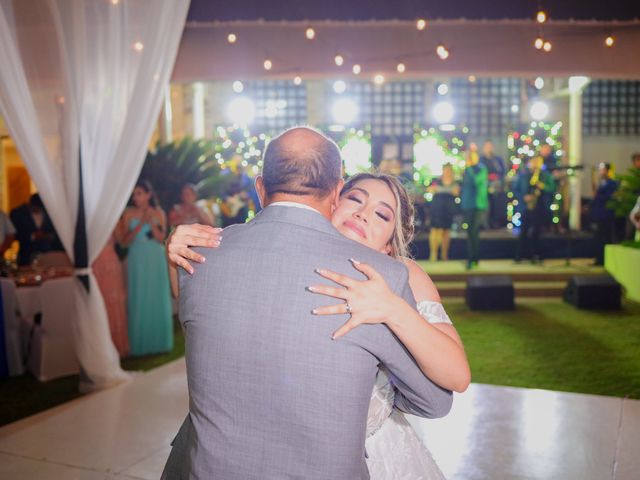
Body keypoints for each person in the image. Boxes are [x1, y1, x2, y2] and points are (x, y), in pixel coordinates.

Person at [161, 127, 456, 480]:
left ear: (260, 189)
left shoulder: (199, 253)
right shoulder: (377, 277)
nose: (362, 215)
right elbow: (433, 401)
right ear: (335, 194)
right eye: (355, 199)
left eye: (382, 214)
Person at [117, 180, 173, 356]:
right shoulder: (128, 213)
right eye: (134, 194)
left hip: (155, 257)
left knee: (157, 295)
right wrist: (141, 222)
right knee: (139, 294)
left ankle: (161, 343)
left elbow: (161, 238)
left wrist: (152, 221)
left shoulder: (159, 212)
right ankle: (141, 344)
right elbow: (124, 242)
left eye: (139, 193)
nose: (136, 197)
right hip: (137, 257)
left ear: (148, 195)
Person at [92, 230, 129, 358]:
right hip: (96, 265)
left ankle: (119, 346)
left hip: (112, 264)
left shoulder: (111, 223)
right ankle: (104, 348)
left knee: (116, 302)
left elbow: (122, 241)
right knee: (101, 303)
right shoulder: (91, 224)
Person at [513, 156, 556, 263]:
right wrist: (523, 197)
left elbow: (552, 189)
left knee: (537, 232)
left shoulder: (546, 176)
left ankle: (536, 255)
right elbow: (515, 189)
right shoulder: (523, 175)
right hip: (526, 207)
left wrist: (542, 186)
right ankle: (521, 255)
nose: (536, 164)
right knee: (523, 231)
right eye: (534, 162)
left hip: (540, 207)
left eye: (538, 162)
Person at [10, 194, 63, 266]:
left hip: (50, 254)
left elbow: (58, 232)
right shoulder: (18, 213)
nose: (37, 209)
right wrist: (33, 236)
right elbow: (13, 234)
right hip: (26, 255)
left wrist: (48, 236)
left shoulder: (51, 212)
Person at [461, 144, 488, 269]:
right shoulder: (466, 170)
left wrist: (470, 168)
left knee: (474, 232)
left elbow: (477, 182)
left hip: (478, 205)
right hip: (467, 205)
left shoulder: (481, 169)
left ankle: (474, 259)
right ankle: (471, 258)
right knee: (469, 232)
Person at [428, 163, 459, 261]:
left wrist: (439, 190)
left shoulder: (456, 182)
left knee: (446, 231)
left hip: (449, 208)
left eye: (449, 170)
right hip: (437, 207)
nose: (447, 172)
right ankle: (433, 254)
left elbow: (456, 192)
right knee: (435, 230)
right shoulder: (436, 180)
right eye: (445, 170)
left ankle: (444, 255)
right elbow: (430, 190)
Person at [590, 162, 619, 265]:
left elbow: (610, 197)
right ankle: (599, 259)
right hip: (599, 214)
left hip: (606, 215)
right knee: (599, 238)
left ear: (608, 171)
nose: (600, 172)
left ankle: (605, 260)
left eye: (602, 170)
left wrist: (598, 197)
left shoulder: (612, 183)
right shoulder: (602, 183)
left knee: (606, 238)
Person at [479, 140, 507, 229]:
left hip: (496, 187)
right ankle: (484, 223)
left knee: (496, 206)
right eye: (487, 146)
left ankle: (495, 223)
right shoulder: (481, 160)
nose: (489, 148)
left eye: (490, 146)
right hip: (484, 188)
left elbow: (502, 172)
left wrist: (498, 180)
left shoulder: (497, 160)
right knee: (485, 207)